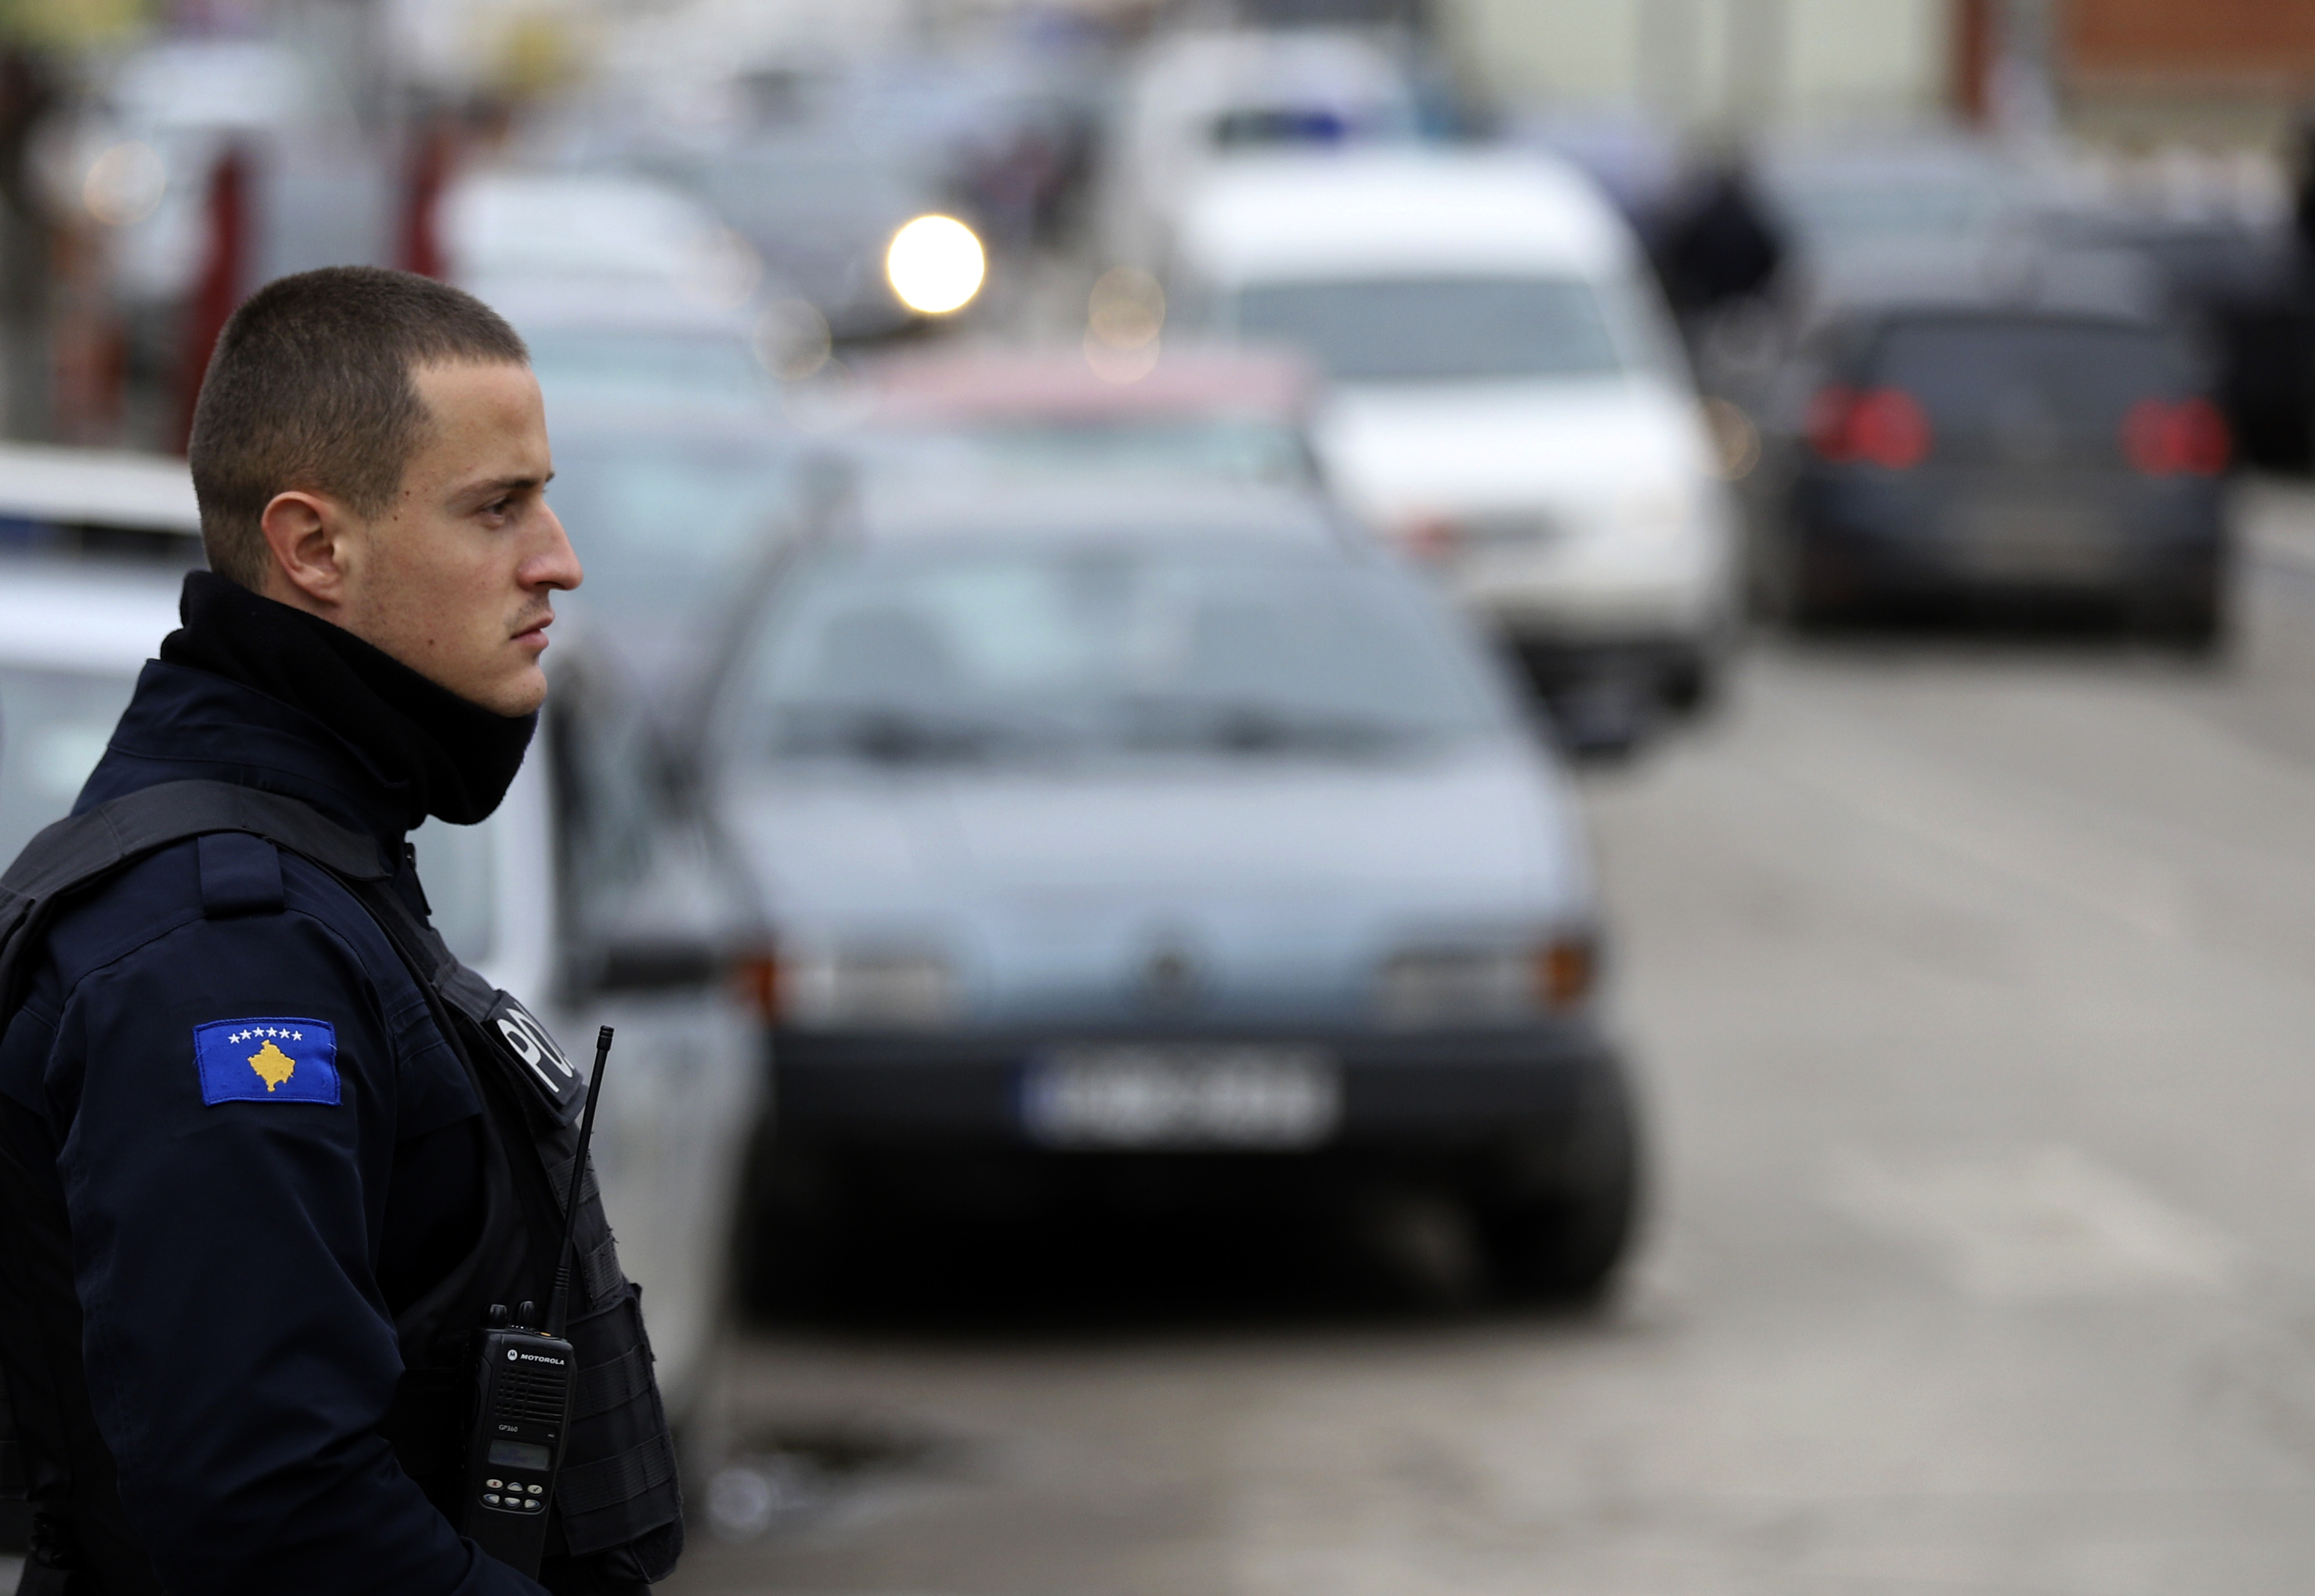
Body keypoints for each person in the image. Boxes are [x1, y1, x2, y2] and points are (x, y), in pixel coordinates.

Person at [0, 267, 682, 1593]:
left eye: (541, 494)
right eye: (498, 507)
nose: (560, 557)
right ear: (315, 548)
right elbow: (273, 1518)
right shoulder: (220, 950)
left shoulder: (322, 865)